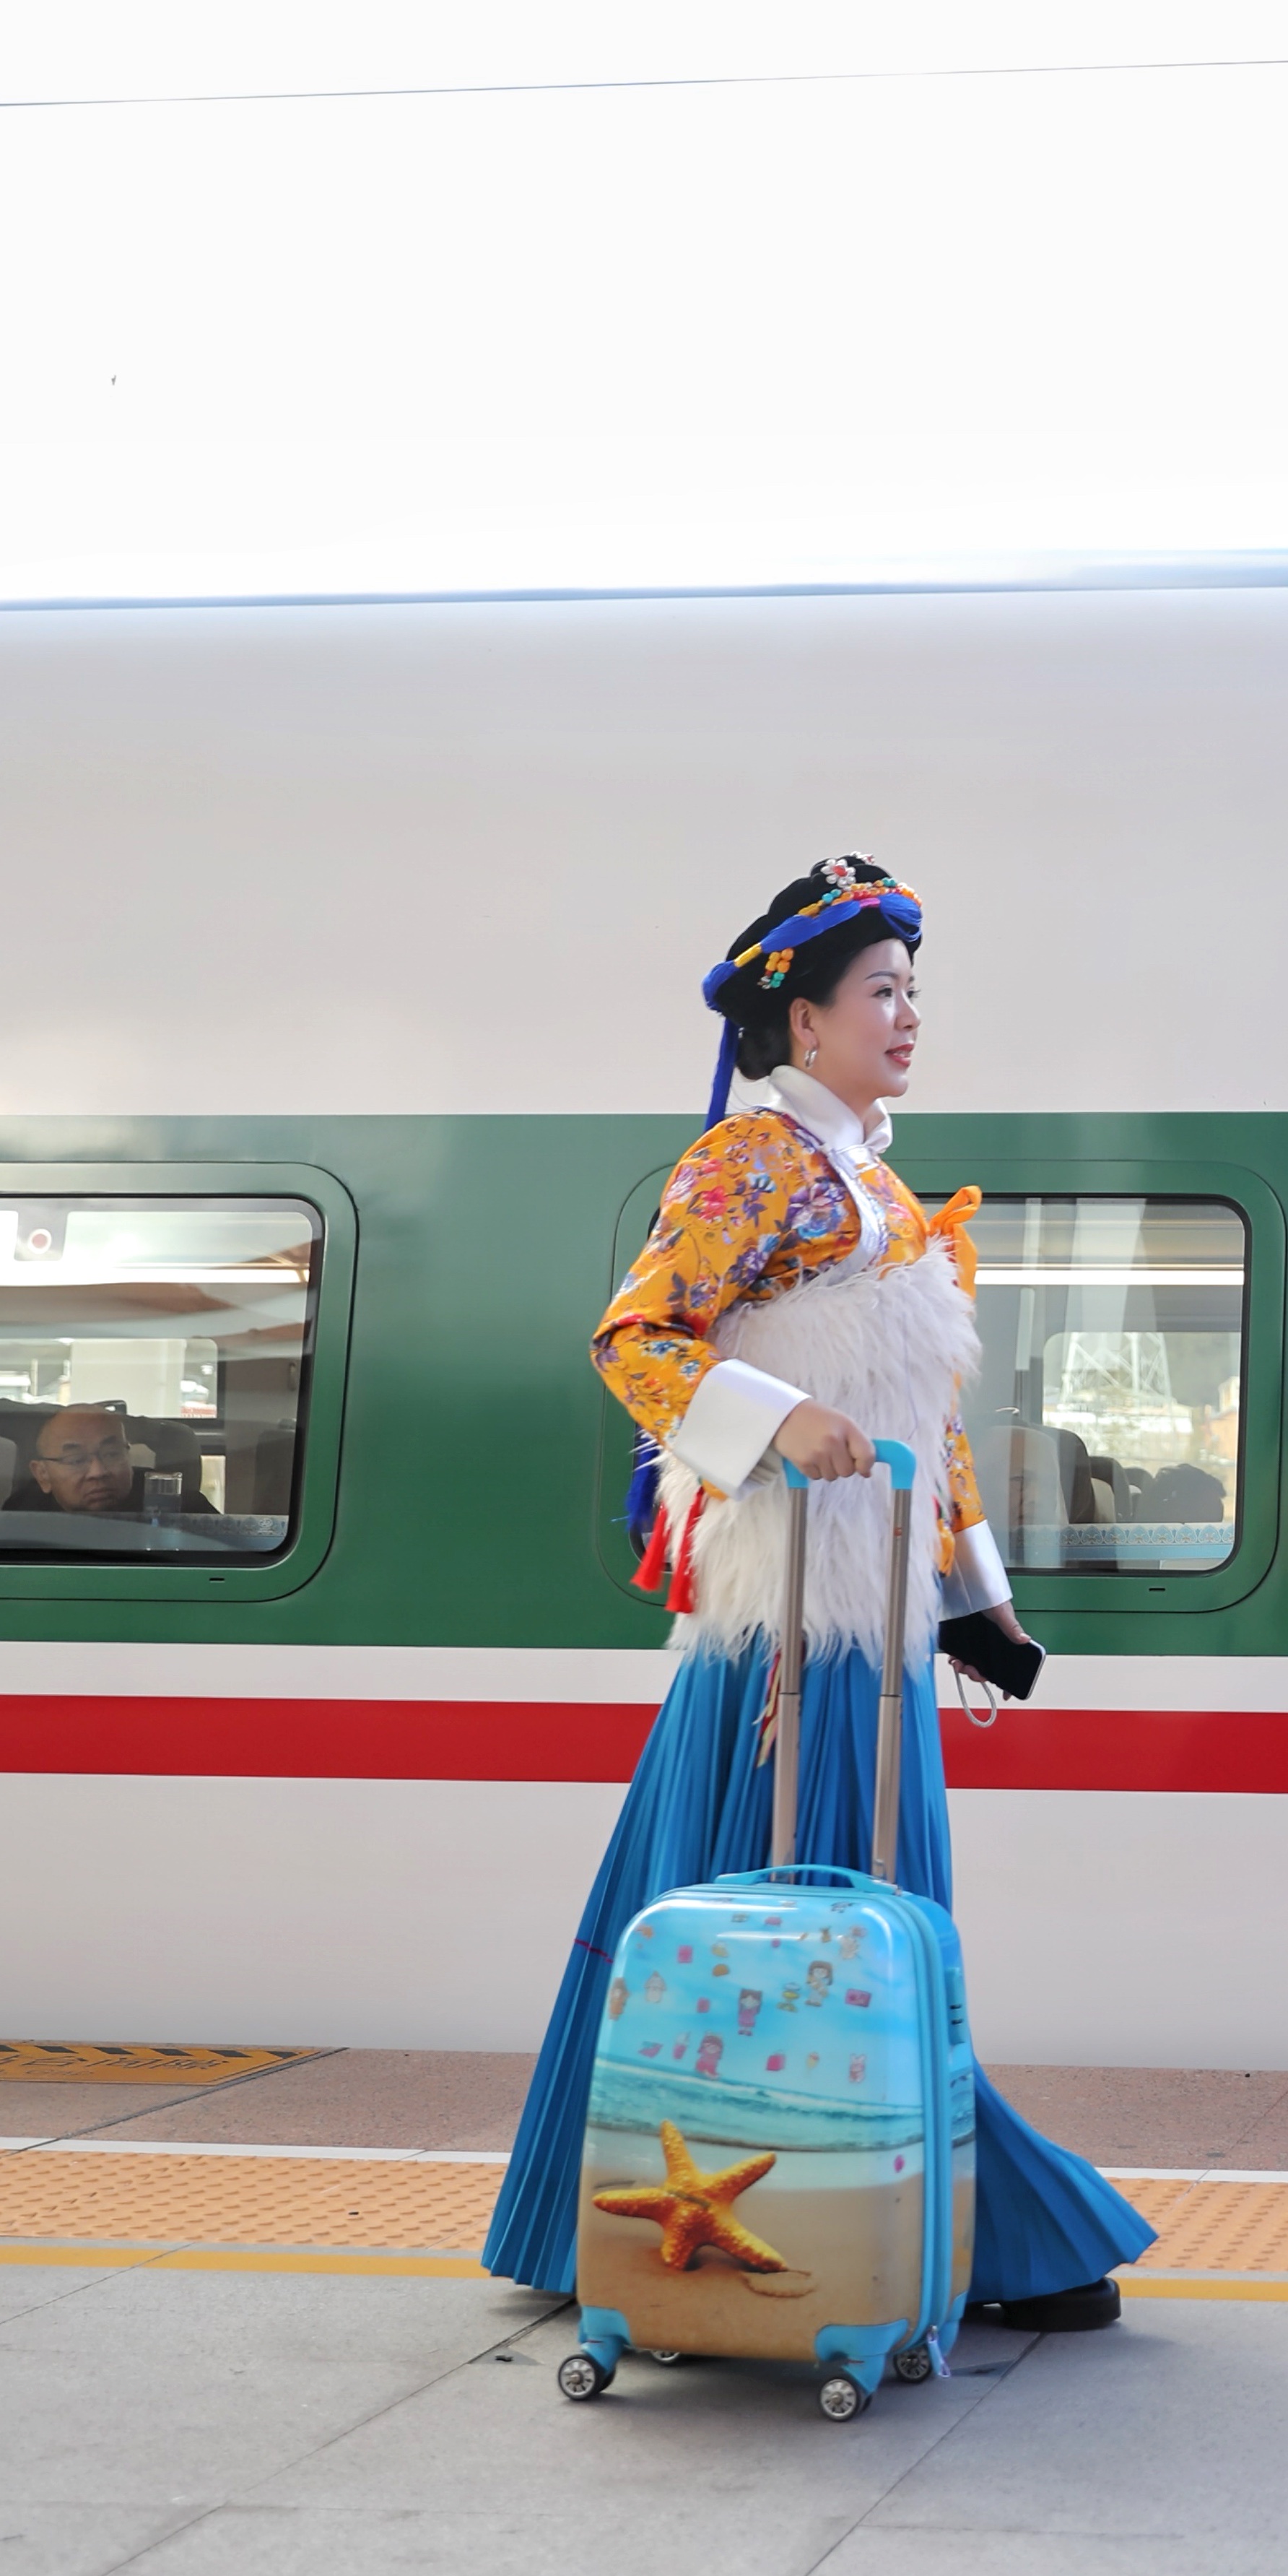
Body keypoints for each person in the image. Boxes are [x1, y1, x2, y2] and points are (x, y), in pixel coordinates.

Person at [478, 855, 1156, 2331]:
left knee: (857, 1918)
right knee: (825, 1904)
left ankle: (854, 2220)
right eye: (881, 991)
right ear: (803, 1017)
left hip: (872, 1613)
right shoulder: (751, 1159)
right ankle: (901, 2227)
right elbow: (635, 1337)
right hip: (785, 1621)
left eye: (915, 990)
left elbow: (929, 1419)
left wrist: (974, 1595)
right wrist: (779, 1419)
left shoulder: (881, 1186)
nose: (908, 1015)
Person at [8, 1406, 147, 1514]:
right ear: (42, 1475)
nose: (98, 1472)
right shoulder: (23, 1513)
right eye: (76, 1460)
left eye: (111, 1454)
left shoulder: (154, 1494)